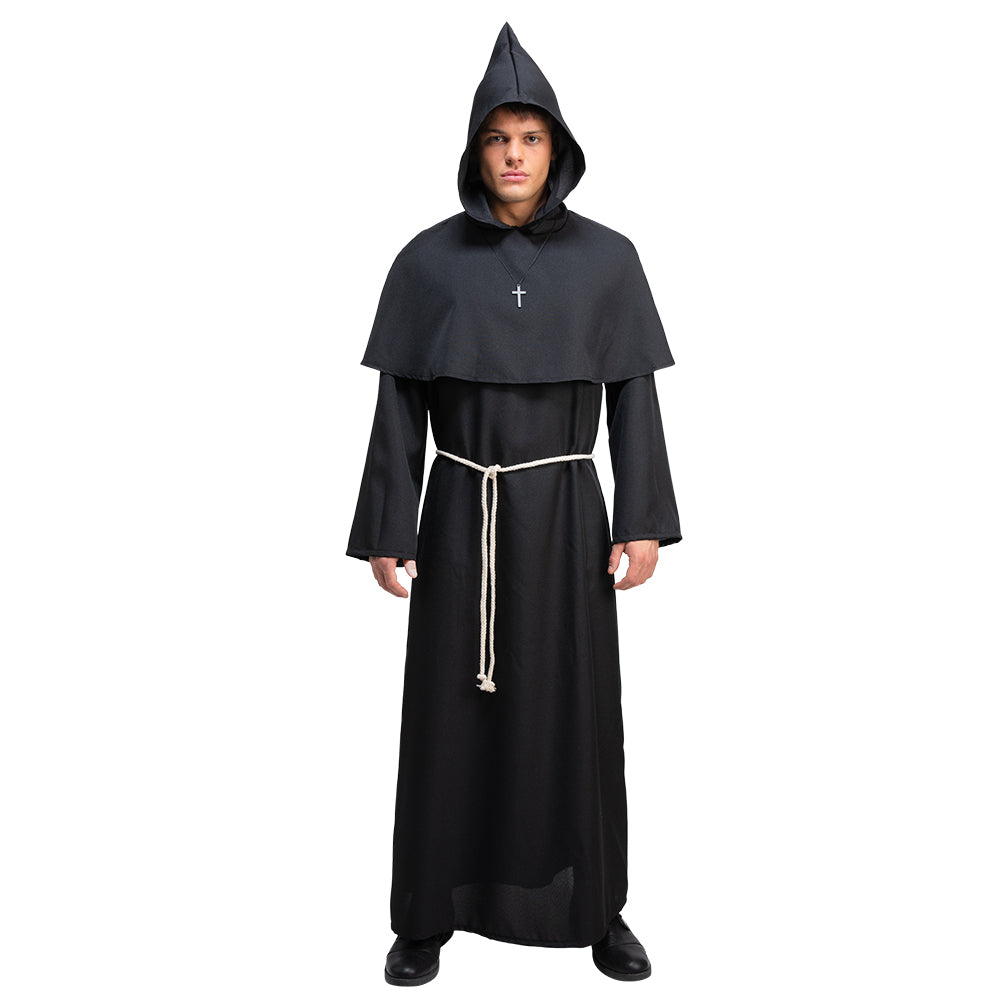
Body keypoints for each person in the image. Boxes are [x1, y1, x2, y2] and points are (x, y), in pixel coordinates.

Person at [347, 23, 682, 986]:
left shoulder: (609, 260)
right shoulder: (427, 261)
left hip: (568, 515)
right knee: (449, 715)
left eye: (531, 138)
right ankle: (425, 915)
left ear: (557, 149)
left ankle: (596, 907)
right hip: (460, 513)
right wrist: (388, 528)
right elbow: (399, 404)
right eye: (498, 138)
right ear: (474, 150)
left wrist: (642, 519)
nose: (514, 155)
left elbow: (634, 396)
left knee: (574, 711)